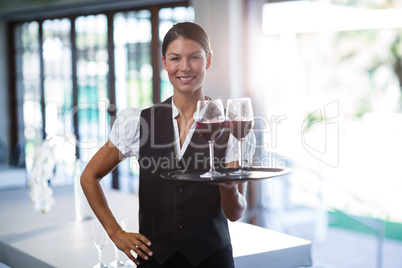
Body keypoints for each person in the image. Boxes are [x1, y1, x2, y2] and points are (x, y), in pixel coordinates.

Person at [81, 22, 255, 268]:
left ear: (208, 60)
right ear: (164, 63)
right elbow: (89, 176)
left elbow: (235, 213)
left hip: (211, 260)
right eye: (175, 58)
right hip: (153, 261)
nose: (185, 67)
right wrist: (116, 233)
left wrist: (228, 188)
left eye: (194, 57)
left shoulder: (233, 128)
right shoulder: (138, 123)